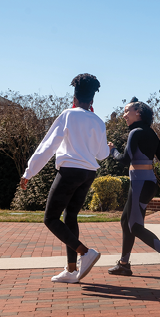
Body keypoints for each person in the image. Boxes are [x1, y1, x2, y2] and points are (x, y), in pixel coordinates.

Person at [20, 73, 108, 284]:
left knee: (50, 218)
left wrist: (29, 172)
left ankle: (85, 253)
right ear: (92, 100)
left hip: (70, 171)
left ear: (74, 98)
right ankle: (71, 271)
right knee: (70, 217)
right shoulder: (98, 120)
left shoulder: (68, 115)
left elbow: (48, 145)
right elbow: (102, 154)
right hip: (89, 173)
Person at [106, 98, 160, 278]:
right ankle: (124, 264)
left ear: (138, 113)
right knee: (126, 222)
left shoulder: (135, 133)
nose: (124, 115)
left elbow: (125, 159)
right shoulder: (151, 133)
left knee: (134, 226)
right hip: (148, 183)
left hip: (140, 184)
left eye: (127, 111)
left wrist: (112, 151)